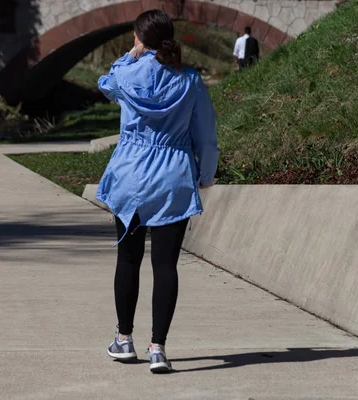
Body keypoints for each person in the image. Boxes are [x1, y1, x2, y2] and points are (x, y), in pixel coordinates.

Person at [97, 10, 219, 373]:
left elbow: (105, 84)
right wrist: (207, 173)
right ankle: (158, 348)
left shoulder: (126, 74)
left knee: (128, 259)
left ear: (139, 38)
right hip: (173, 177)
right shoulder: (191, 79)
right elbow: (206, 135)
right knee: (165, 265)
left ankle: (123, 340)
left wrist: (131, 55)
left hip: (130, 177)